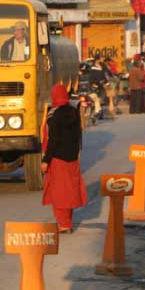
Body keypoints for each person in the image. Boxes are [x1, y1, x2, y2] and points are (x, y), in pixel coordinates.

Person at [41, 84, 87, 234]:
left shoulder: (53, 115)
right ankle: (68, 222)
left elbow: (53, 140)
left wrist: (46, 160)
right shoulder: (74, 112)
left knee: (59, 193)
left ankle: (64, 224)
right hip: (72, 158)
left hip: (58, 159)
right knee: (70, 192)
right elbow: (78, 135)